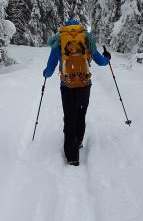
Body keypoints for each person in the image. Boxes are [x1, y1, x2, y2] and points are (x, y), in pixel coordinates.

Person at [43, 19, 112, 166]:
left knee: (69, 117)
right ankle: (79, 140)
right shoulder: (87, 40)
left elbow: (49, 70)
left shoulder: (58, 41)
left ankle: (72, 156)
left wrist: (45, 74)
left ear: (65, 28)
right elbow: (101, 62)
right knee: (81, 113)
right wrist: (107, 57)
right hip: (84, 85)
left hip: (67, 86)